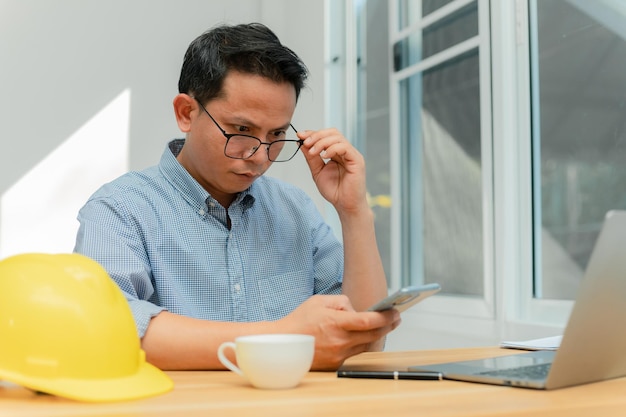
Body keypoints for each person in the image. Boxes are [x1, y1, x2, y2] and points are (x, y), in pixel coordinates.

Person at [74, 22, 399, 371]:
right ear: (187, 113)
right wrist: (279, 335)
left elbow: (364, 343)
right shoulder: (120, 208)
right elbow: (106, 327)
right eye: (241, 131)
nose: (260, 157)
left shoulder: (296, 209)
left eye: (276, 134)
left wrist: (353, 211)